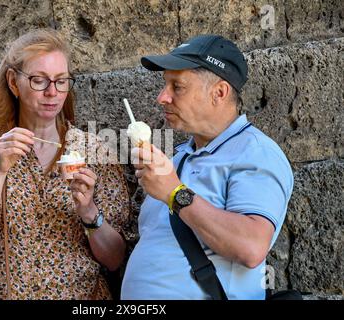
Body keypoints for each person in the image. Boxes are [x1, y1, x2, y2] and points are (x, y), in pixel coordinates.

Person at [0, 29, 131, 300]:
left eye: (61, 81)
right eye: (39, 81)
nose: (52, 92)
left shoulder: (95, 151)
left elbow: (114, 260)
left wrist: (89, 212)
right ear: (13, 83)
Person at [121, 34, 294, 300]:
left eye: (177, 87)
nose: (162, 97)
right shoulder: (177, 158)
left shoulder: (256, 152)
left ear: (219, 92)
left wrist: (175, 193)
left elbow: (251, 246)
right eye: (165, 85)